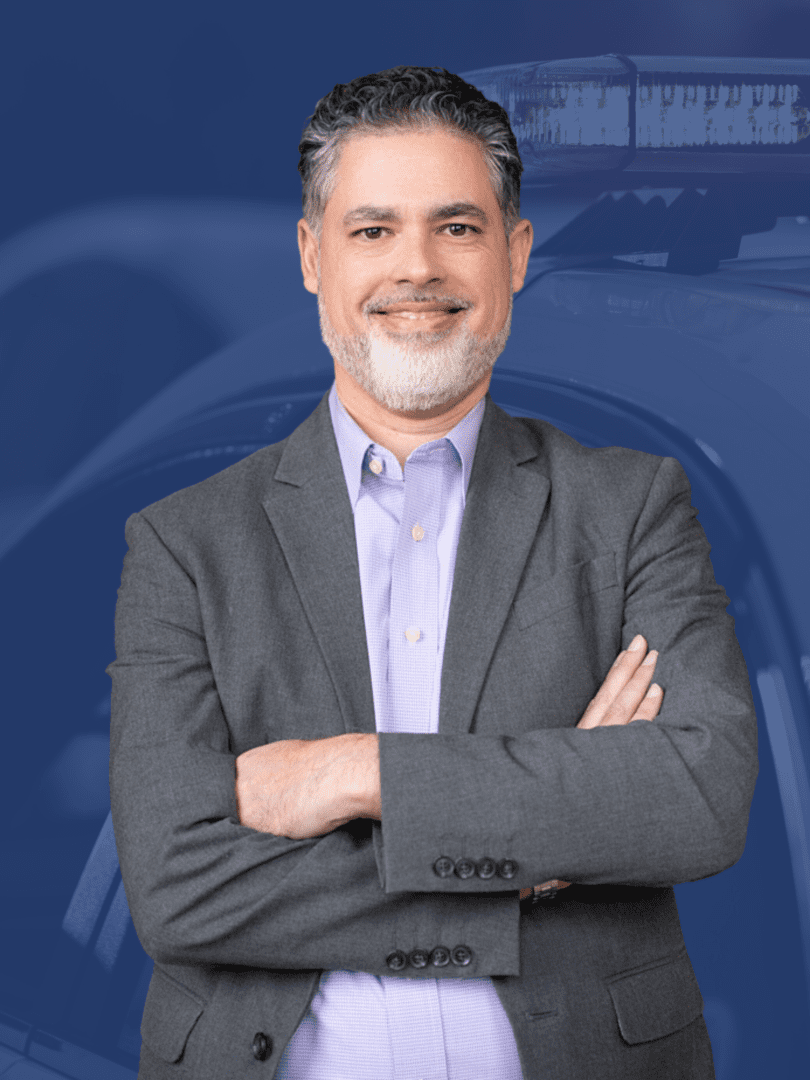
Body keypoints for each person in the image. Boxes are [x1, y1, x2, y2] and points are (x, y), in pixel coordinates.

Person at [108, 66, 758, 1080]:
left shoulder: (632, 508)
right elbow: (174, 886)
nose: (417, 267)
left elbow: (700, 793)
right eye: (372, 230)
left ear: (516, 253)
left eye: (457, 227)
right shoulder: (184, 544)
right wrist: (537, 858)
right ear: (312, 255)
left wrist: (353, 771)